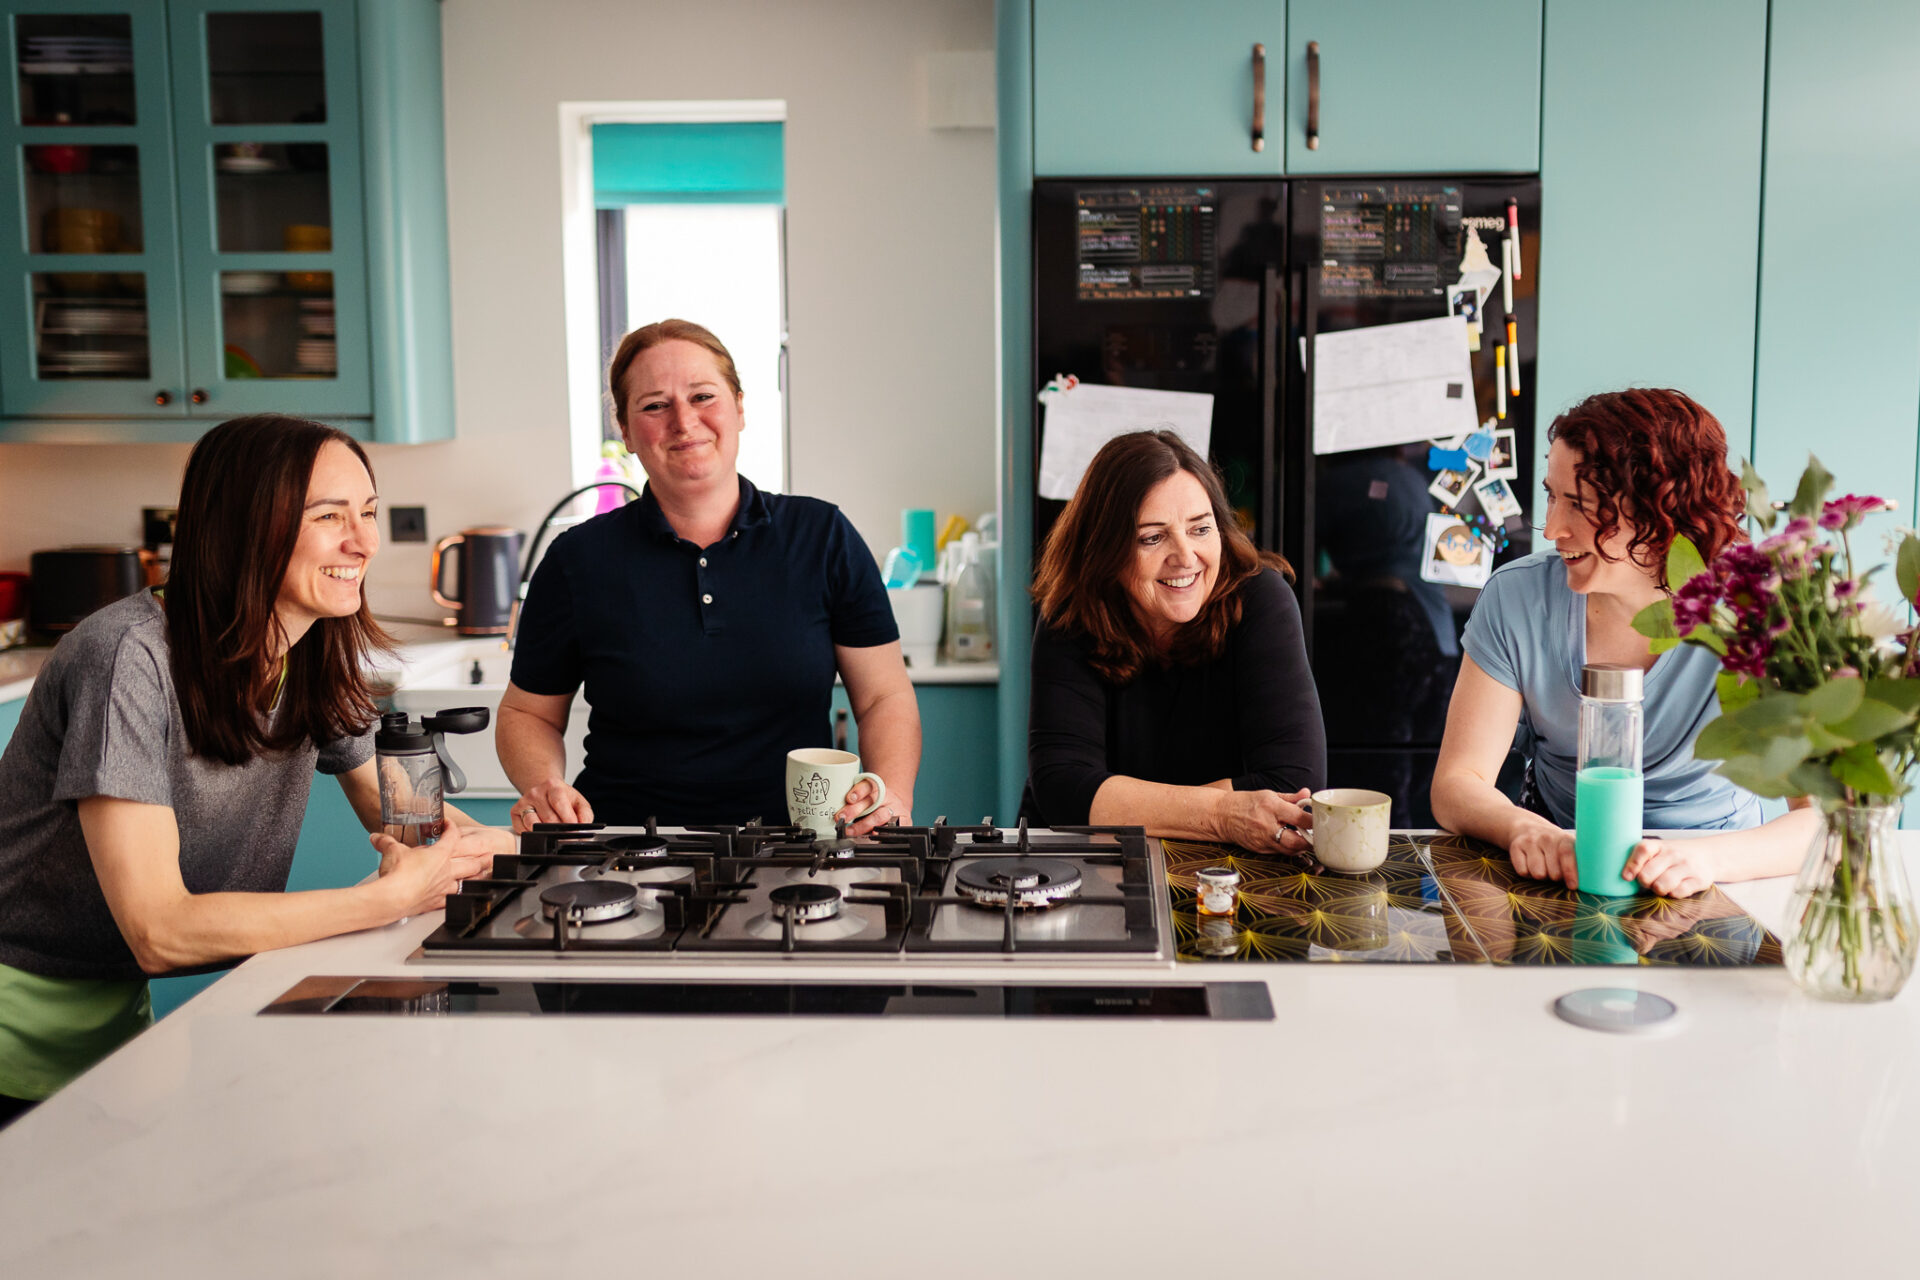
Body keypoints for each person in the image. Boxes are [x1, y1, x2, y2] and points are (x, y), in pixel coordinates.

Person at [0, 416, 508, 1126]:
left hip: (111, 1017)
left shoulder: (310, 651)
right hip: (14, 1023)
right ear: (246, 528)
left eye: (367, 512)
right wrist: (386, 899)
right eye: (330, 516)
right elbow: (160, 929)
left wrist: (539, 851)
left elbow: (414, 823)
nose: (363, 542)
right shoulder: (128, 658)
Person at [499, 319, 919, 833]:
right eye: (655, 405)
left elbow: (883, 696)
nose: (683, 421)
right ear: (626, 432)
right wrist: (544, 783)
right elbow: (528, 713)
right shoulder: (576, 559)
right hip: (625, 852)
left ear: (739, 408)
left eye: (703, 396)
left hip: (801, 846)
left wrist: (891, 791)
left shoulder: (823, 536)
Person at [1431, 388, 1818, 896]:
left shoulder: (1758, 611)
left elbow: (1824, 822)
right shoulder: (1518, 597)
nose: (1552, 529)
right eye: (1552, 496)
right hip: (1565, 869)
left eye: (1580, 505)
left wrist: (1703, 859)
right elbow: (1458, 783)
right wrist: (1523, 828)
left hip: (1719, 874)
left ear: (1661, 511)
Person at [1023, 430, 1325, 852]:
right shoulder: (1071, 614)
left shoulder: (1261, 600)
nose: (1186, 556)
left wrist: (1120, 805)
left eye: (1201, 529)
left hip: (1225, 872)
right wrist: (1222, 815)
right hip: (1087, 864)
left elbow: (1292, 781)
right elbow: (1062, 788)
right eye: (1152, 537)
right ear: (1104, 551)